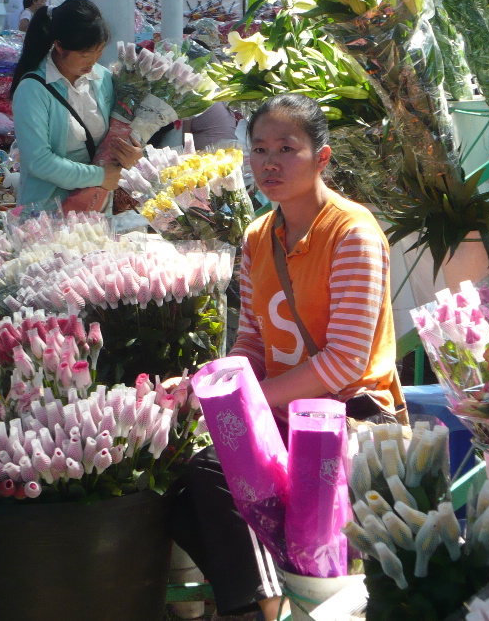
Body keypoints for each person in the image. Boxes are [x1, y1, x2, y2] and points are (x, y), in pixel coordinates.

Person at [170, 93, 403, 620]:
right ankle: (257, 606)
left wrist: (246, 404)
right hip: (279, 417)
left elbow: (344, 363)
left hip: (349, 416)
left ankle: (265, 605)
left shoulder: (351, 234)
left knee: (216, 474)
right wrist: (213, 391)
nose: (270, 162)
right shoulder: (258, 236)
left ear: (322, 157)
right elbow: (251, 338)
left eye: (286, 148)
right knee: (182, 480)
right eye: (259, 149)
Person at [10, 0, 141, 208]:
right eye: (84, 54)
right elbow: (39, 162)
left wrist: (132, 153)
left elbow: (117, 134)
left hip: (95, 210)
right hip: (47, 215)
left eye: (98, 51)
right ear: (59, 46)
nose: (92, 61)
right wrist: (98, 176)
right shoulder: (33, 90)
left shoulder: (103, 78)